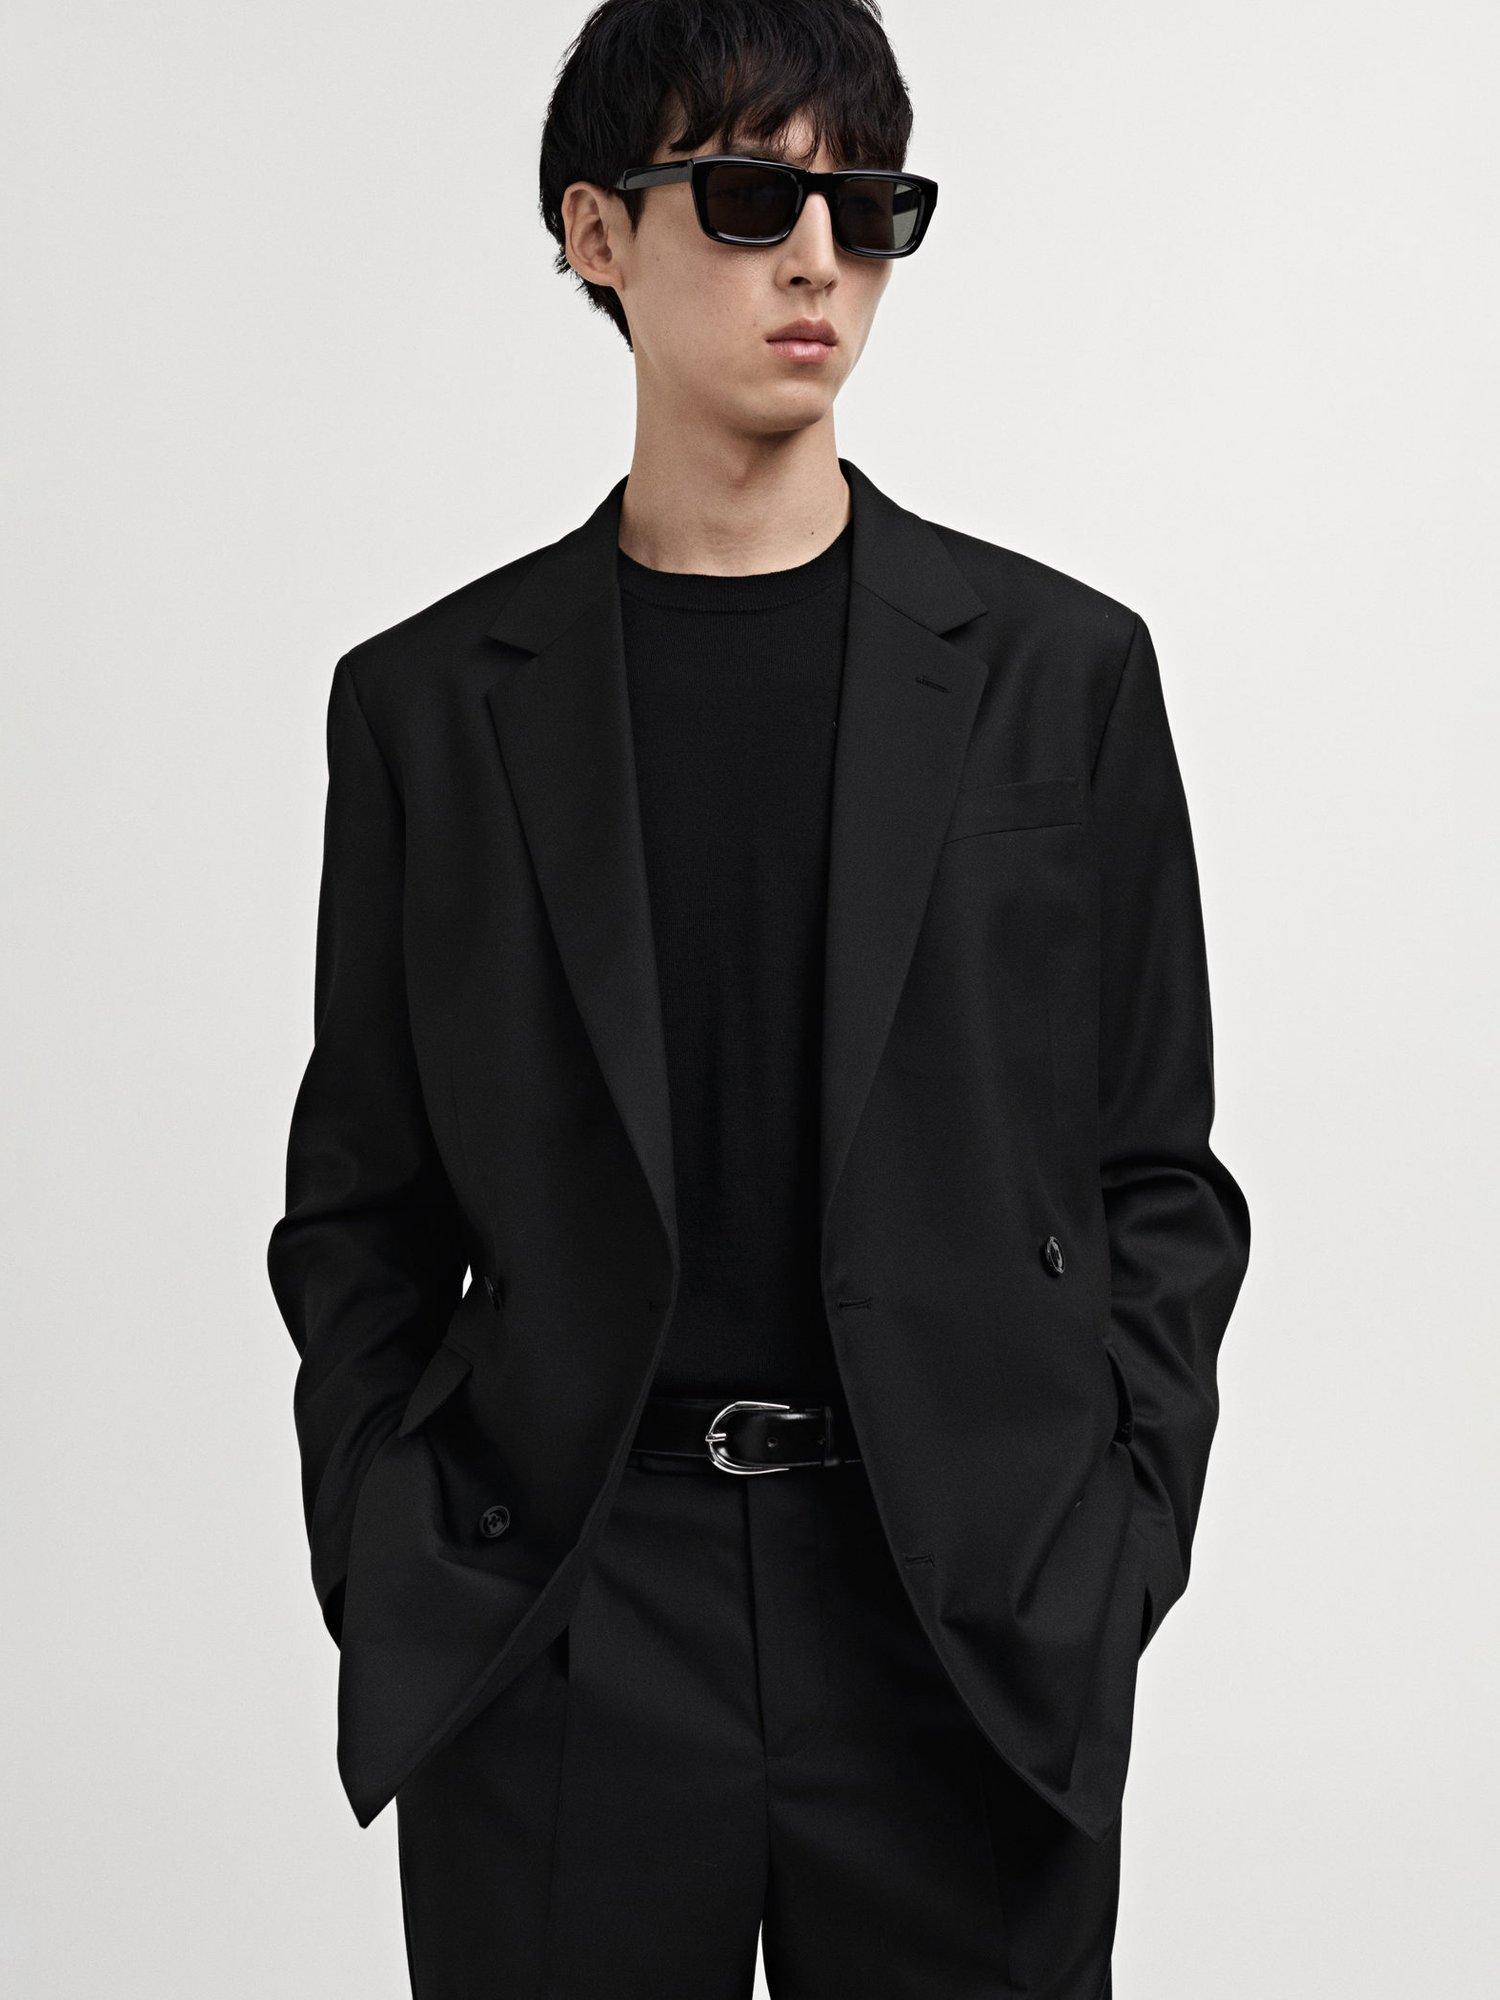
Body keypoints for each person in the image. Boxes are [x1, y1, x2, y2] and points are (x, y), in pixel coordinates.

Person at [267, 2, 1251, 1994]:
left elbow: (1156, 1170)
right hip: (568, 1611)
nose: (818, 257)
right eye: (747, 196)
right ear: (596, 232)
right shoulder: (431, 708)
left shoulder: (1059, 679)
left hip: (958, 1614)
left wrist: (1108, 1539)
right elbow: (360, 1206)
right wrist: (395, 1545)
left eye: (865, 208)